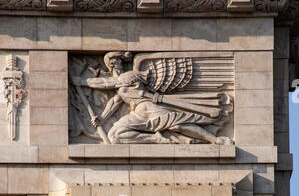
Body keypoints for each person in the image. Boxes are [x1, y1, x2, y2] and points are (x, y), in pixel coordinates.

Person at [72, 51, 232, 145]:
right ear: (111, 65)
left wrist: (83, 81)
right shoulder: (120, 88)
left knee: (178, 124)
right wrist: (102, 118)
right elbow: (115, 102)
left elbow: (106, 83)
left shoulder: (129, 76)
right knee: (115, 135)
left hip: (151, 108)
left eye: (118, 61)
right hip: (137, 114)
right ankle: (157, 139)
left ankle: (214, 140)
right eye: (114, 62)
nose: (117, 65)